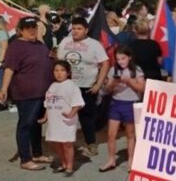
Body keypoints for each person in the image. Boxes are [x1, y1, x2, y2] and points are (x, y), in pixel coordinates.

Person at [0, 16, 53, 171]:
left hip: (42, 92)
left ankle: (37, 153)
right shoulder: (16, 46)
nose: (32, 31)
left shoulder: (39, 44)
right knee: (26, 125)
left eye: (34, 28)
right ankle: (25, 159)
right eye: (28, 28)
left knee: (37, 125)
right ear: (20, 30)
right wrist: (3, 89)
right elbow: (9, 69)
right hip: (27, 93)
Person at [57, 16, 110, 157]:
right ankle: (66, 144)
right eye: (73, 28)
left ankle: (91, 143)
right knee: (66, 116)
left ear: (86, 30)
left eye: (79, 29)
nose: (75, 31)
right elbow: (59, 61)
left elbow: (105, 63)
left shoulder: (94, 44)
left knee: (87, 117)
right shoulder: (65, 42)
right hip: (67, 86)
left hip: (86, 87)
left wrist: (98, 84)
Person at [99, 45, 145, 173]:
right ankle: (111, 159)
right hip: (116, 103)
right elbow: (106, 90)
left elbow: (142, 88)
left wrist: (129, 81)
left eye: (123, 58)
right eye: (118, 59)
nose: (120, 61)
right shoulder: (113, 70)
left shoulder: (136, 70)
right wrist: (113, 83)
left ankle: (131, 160)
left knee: (130, 135)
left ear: (129, 57)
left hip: (130, 104)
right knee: (111, 134)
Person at [38, 60, 85, 176]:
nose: (59, 73)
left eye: (62, 70)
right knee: (56, 143)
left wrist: (71, 114)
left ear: (68, 73)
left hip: (67, 121)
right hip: (55, 121)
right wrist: (45, 118)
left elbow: (78, 103)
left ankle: (69, 166)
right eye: (56, 70)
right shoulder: (52, 86)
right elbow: (48, 104)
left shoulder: (72, 86)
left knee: (67, 144)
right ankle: (63, 163)